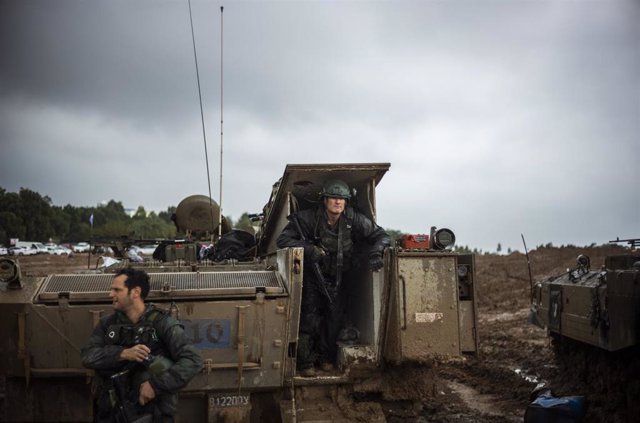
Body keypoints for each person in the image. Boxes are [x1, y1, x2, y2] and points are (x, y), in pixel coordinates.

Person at [276, 179, 390, 376]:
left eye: (342, 199)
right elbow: (283, 240)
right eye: (334, 198)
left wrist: (376, 253)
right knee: (309, 319)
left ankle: (326, 359)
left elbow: (382, 236)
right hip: (312, 277)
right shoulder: (307, 219)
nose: (338, 202)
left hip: (339, 277)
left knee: (334, 320)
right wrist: (310, 250)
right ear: (325, 200)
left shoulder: (353, 219)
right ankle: (305, 363)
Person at [81, 268, 203, 423]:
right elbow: (87, 356)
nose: (110, 294)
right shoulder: (108, 324)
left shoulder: (162, 323)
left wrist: (155, 386)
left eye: (117, 290)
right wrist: (122, 354)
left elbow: (193, 360)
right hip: (114, 413)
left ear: (135, 292)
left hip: (154, 413)